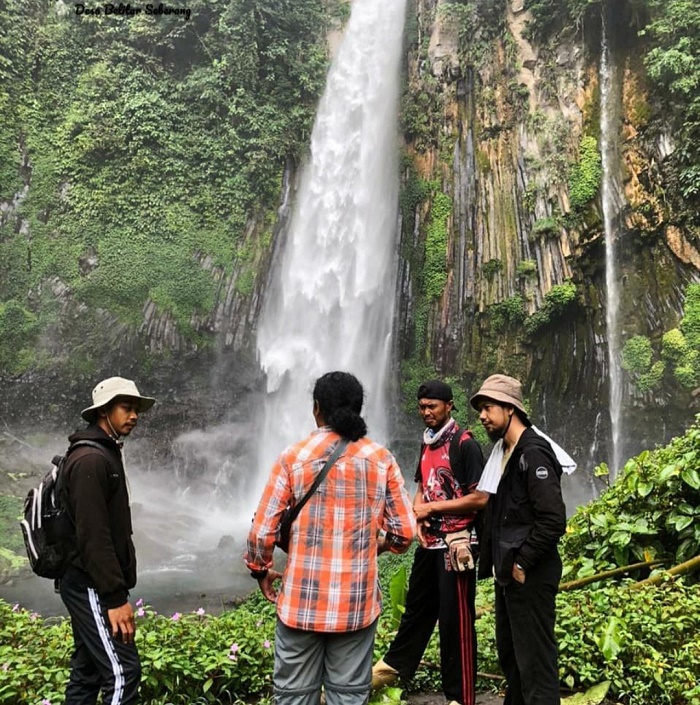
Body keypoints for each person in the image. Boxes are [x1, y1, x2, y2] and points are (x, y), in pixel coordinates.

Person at [245, 371, 416, 705]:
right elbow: (405, 532)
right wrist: (377, 546)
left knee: (293, 695)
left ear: (316, 409)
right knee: (349, 695)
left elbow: (262, 530)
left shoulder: (292, 457)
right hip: (356, 604)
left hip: (300, 603)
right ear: (358, 410)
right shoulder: (381, 460)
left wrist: (260, 569)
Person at [372, 380, 487, 705]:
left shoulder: (465, 445)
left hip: (457, 546)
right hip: (429, 543)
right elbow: (422, 486)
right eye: (422, 407)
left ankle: (461, 698)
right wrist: (417, 516)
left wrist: (431, 508)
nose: (426, 412)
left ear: (449, 405)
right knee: (416, 609)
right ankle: (393, 668)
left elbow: (479, 499)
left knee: (456, 621)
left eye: (432, 406)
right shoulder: (427, 443)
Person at [470, 374, 566, 705]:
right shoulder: (503, 452)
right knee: (513, 660)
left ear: (510, 408)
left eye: (488, 407)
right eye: (480, 409)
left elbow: (553, 519)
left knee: (535, 664)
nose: (482, 416)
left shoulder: (533, 452)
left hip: (530, 574)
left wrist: (523, 562)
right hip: (509, 575)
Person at [59, 376, 155, 705]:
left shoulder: (104, 453)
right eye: (127, 408)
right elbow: (93, 536)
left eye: (136, 409)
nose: (135, 415)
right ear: (104, 412)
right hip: (91, 584)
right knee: (123, 674)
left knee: (86, 674)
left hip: (90, 581)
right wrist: (115, 598)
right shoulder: (91, 461)